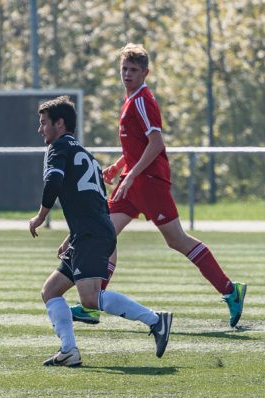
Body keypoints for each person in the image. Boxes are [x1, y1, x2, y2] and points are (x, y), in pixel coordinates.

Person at [70, 43, 246, 328]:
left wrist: (129, 175)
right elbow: (137, 147)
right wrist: (119, 166)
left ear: (145, 72)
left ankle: (230, 290)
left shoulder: (142, 100)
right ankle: (93, 302)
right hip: (134, 182)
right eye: (124, 69)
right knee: (104, 234)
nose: (127, 74)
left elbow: (156, 144)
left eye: (134, 70)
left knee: (176, 239)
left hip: (150, 183)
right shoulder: (130, 100)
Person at [29, 96, 172, 367]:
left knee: (90, 298)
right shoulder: (86, 155)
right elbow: (93, 201)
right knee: (51, 291)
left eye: (44, 123)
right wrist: (72, 236)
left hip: (92, 234)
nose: (41, 130)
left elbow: (54, 182)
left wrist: (40, 216)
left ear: (60, 124)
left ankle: (156, 320)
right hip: (91, 232)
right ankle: (69, 351)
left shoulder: (59, 148)